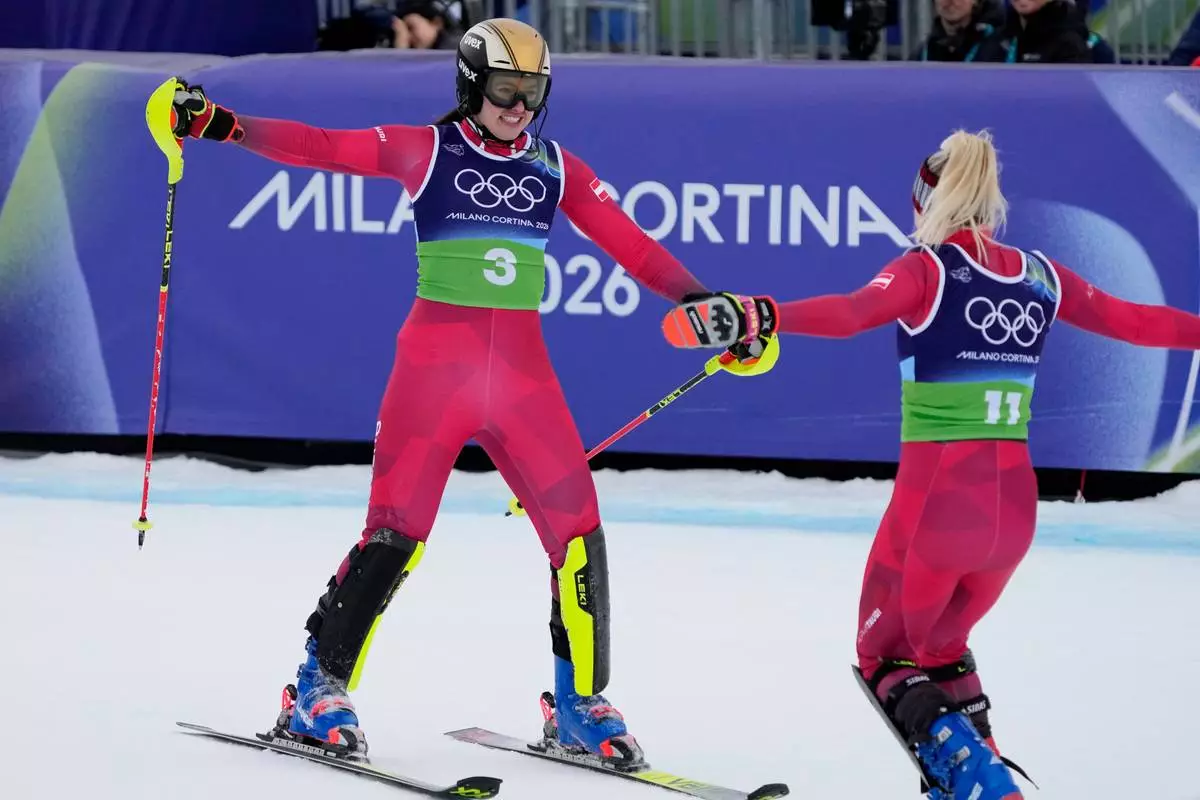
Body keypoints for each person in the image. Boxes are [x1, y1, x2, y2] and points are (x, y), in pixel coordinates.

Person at [168, 17, 744, 767]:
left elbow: (631, 245)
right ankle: (316, 689)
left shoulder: (557, 166)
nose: (518, 106)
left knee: (579, 537)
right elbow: (319, 145)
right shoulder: (428, 149)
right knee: (396, 534)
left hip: (524, 383)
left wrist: (706, 302)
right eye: (505, 89)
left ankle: (579, 704)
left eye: (532, 92)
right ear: (472, 84)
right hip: (434, 374)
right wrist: (222, 124)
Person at [659, 129, 1200, 800]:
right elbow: (1141, 323)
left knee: (883, 655)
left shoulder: (926, 269)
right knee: (940, 650)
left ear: (924, 204)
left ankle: (983, 784)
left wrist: (759, 314)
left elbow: (853, 312)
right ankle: (976, 764)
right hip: (1014, 513)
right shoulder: (1041, 275)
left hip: (941, 502)